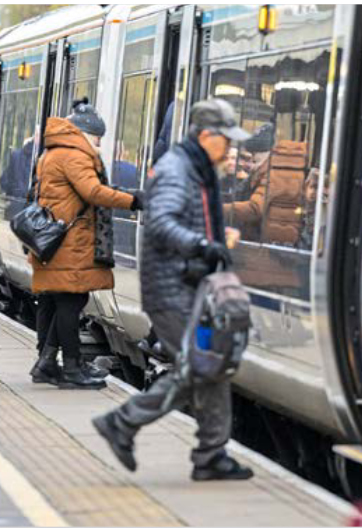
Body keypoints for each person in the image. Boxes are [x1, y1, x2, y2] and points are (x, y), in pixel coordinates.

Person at [93, 98, 256, 482]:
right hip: (172, 289)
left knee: (211, 367)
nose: (231, 149)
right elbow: (161, 221)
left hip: (191, 285)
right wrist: (201, 244)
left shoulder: (196, 170)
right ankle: (123, 421)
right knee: (199, 367)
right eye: (226, 140)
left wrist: (215, 236)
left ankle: (211, 454)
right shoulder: (175, 171)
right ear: (205, 136)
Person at [27, 100, 141, 389]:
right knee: (70, 300)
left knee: (64, 300)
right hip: (70, 241)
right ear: (84, 133)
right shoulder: (73, 155)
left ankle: (48, 362)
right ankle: (72, 368)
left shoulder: (53, 152)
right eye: (97, 138)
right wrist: (133, 200)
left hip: (59, 239)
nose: (99, 144)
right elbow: (93, 192)